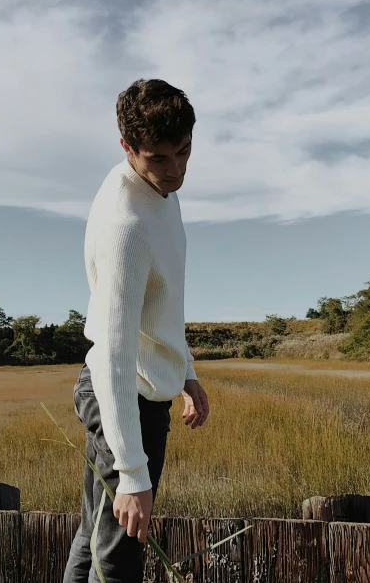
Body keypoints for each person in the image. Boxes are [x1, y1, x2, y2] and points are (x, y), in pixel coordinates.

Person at [63, 78, 210, 583]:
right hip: (120, 399)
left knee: (96, 537)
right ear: (127, 147)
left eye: (184, 153)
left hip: (145, 396)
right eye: (159, 159)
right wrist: (130, 471)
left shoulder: (160, 191)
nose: (175, 172)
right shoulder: (125, 225)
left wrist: (186, 373)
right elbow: (113, 354)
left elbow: (161, 307)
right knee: (120, 556)